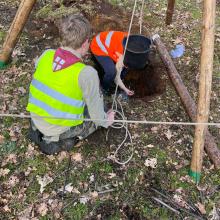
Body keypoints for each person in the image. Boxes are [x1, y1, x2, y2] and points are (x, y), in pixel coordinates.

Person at [26, 15, 115, 155]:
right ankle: (58, 139)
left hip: (37, 119)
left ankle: (42, 133)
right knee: (100, 110)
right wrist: (106, 120)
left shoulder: (46, 54)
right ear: (85, 43)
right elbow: (97, 115)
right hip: (57, 128)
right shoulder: (86, 73)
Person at [90, 31, 134, 96]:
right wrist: (125, 89)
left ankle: (118, 82)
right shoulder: (120, 58)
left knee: (123, 70)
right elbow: (117, 77)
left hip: (110, 44)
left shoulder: (132, 45)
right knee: (111, 72)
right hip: (98, 46)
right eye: (125, 65)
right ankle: (105, 88)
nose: (126, 66)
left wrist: (126, 90)